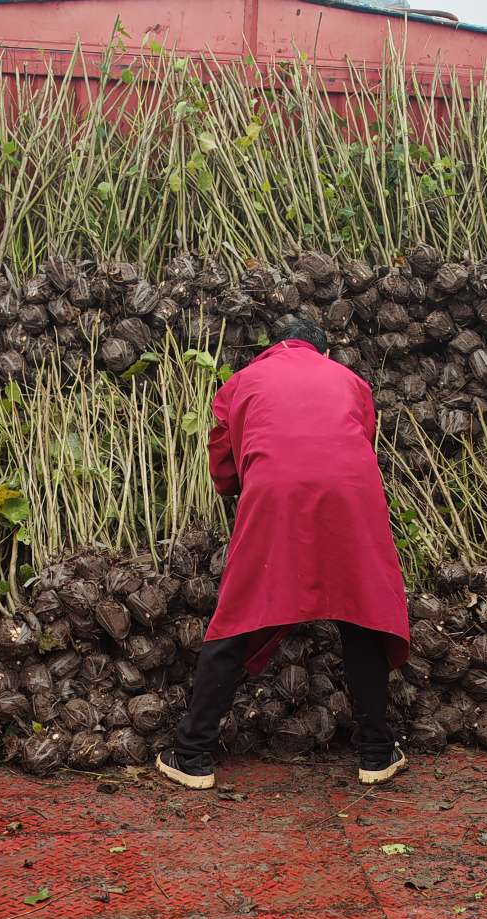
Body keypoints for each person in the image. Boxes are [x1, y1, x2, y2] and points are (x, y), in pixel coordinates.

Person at [156, 316, 410, 790]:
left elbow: (223, 464)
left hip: (275, 494)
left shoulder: (243, 381)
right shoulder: (353, 382)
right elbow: (360, 441)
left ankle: (192, 755)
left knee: (240, 613)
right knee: (361, 613)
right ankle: (376, 753)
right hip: (353, 496)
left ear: (276, 347)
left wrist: (239, 487)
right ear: (324, 353)